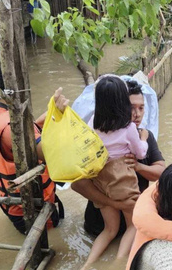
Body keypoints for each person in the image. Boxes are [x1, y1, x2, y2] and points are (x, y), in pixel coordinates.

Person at [0, 64, 64, 233]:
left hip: (7, 201)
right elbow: (52, 156)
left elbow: (26, 136)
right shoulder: (14, 126)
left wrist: (52, 112)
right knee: (54, 236)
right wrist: (61, 121)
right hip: (31, 208)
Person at [71, 80, 165, 237]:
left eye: (141, 108)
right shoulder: (96, 139)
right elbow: (77, 184)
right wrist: (114, 203)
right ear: (118, 106)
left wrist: (138, 167)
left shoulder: (145, 136)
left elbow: (162, 173)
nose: (137, 114)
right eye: (131, 107)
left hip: (129, 223)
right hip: (101, 224)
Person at [80, 75, 148, 270]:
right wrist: (143, 137)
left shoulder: (93, 121)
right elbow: (141, 153)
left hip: (99, 179)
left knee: (109, 230)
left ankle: (86, 266)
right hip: (121, 179)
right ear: (122, 102)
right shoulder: (128, 128)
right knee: (133, 225)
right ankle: (119, 263)